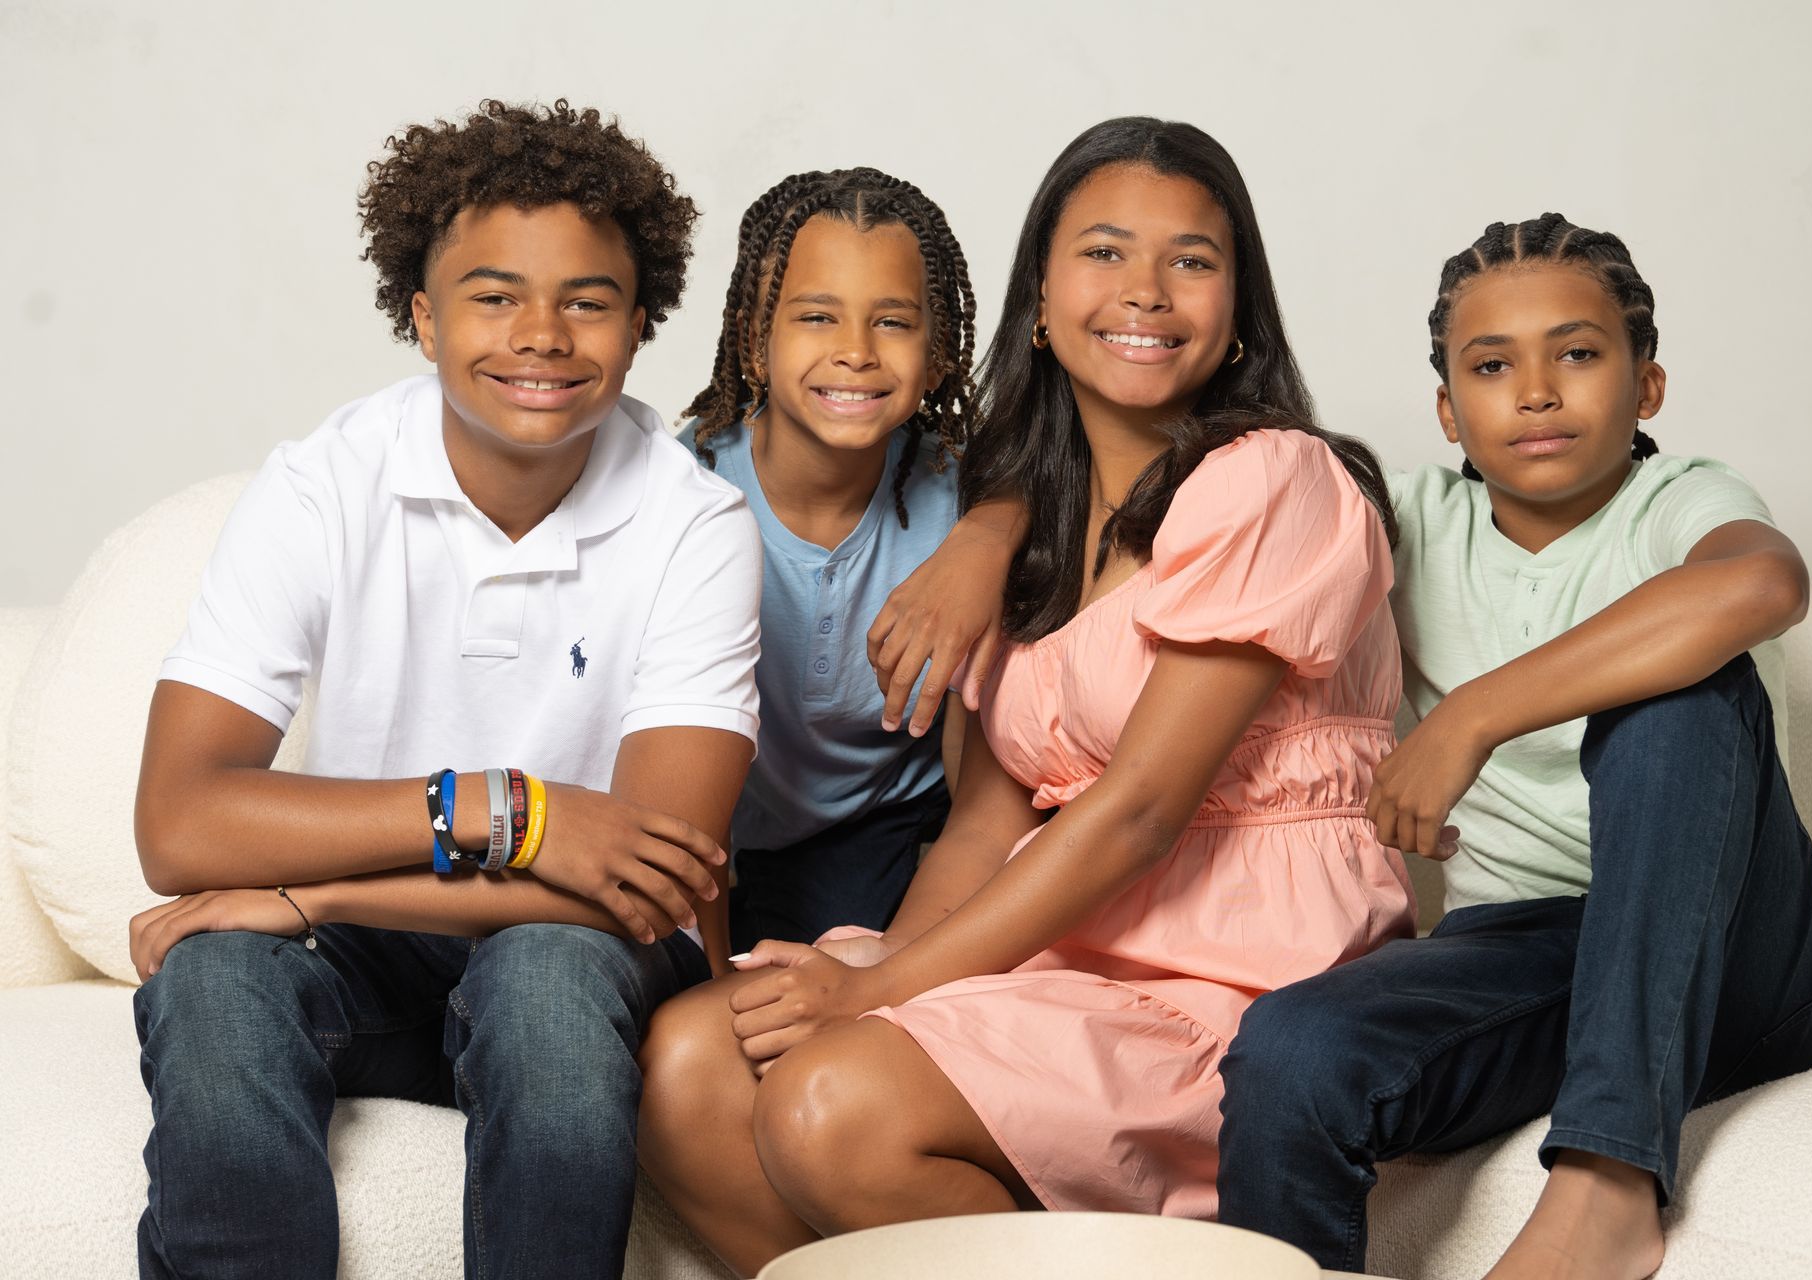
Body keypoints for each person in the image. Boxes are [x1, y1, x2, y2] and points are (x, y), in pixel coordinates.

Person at [635, 116, 1413, 1278]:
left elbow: (1143, 807)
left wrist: (881, 993)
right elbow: (988, 823)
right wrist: (875, 976)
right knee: (690, 1057)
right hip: (1061, 948)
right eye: (1104, 251)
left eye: (1192, 261)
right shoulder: (1026, 529)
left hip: (1236, 975)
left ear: (1239, 306)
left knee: (831, 1103)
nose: (1145, 290)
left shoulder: (1275, 480)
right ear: (1038, 299)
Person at [127, 99, 762, 1279]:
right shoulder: (323, 485)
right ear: (421, 318)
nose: (543, 332)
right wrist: (509, 809)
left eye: (588, 298)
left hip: (571, 946)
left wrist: (306, 894)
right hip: (388, 947)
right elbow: (177, 821)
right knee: (216, 975)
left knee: (547, 977)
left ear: (638, 324)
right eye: (492, 294)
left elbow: (648, 886)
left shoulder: (698, 525)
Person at [1213, 214, 1812, 1279]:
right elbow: (1202, 498)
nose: (1537, 390)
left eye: (1577, 352)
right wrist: (990, 525)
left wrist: (1473, 712)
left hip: (1746, 959)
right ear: (1447, 409)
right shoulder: (1407, 520)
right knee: (1291, 1050)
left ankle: (1607, 1183)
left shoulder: (1678, 500)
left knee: (1678, 688)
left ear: (1646, 385)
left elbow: (1762, 582)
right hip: (1529, 950)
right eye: (1491, 365)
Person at [678, 168, 977, 950]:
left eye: (893, 323)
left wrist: (990, 537)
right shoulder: (678, 490)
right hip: (709, 814)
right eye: (816, 316)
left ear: (938, 353)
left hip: (885, 814)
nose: (855, 352)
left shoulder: (968, 502)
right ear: (753, 338)